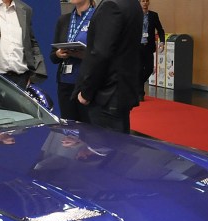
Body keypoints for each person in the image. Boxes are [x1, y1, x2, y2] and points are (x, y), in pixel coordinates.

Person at [75, 0, 141, 134]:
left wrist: (87, 92)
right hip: (122, 91)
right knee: (120, 148)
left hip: (106, 95)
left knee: (104, 150)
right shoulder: (133, 4)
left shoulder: (110, 5)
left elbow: (101, 54)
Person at [50, 0, 95, 122]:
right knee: (69, 132)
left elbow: (102, 53)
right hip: (65, 83)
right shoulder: (64, 20)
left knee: (88, 132)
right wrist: (59, 54)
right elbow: (52, 56)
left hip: (87, 83)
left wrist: (84, 55)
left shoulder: (97, 17)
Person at [138, 0, 164, 101]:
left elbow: (160, 30)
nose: (145, 3)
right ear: (139, 2)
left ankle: (135, 85)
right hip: (137, 47)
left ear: (149, 3)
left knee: (149, 69)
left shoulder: (153, 15)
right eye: (142, 1)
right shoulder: (135, 15)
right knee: (139, 69)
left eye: (146, 1)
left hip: (148, 46)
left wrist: (162, 42)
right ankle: (140, 93)